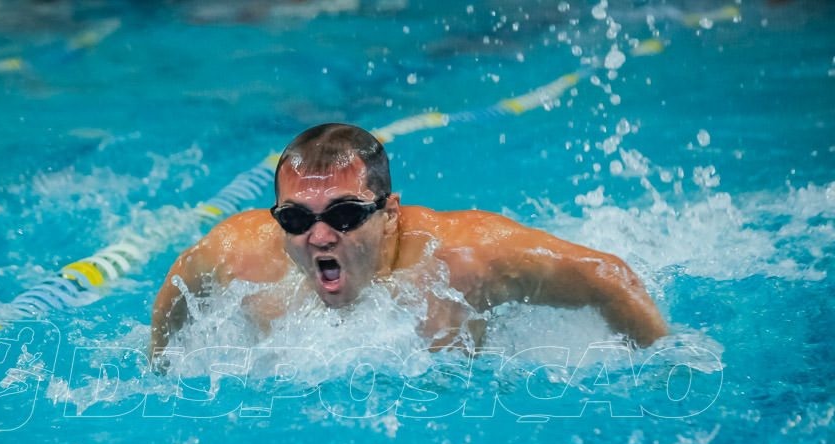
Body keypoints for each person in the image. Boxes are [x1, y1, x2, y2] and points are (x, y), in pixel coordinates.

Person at [150, 123, 667, 355]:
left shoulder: (467, 258)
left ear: (389, 213)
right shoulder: (240, 253)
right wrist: (159, 368)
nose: (320, 235)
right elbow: (176, 290)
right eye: (296, 220)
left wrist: (661, 369)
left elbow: (607, 276)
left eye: (346, 213)